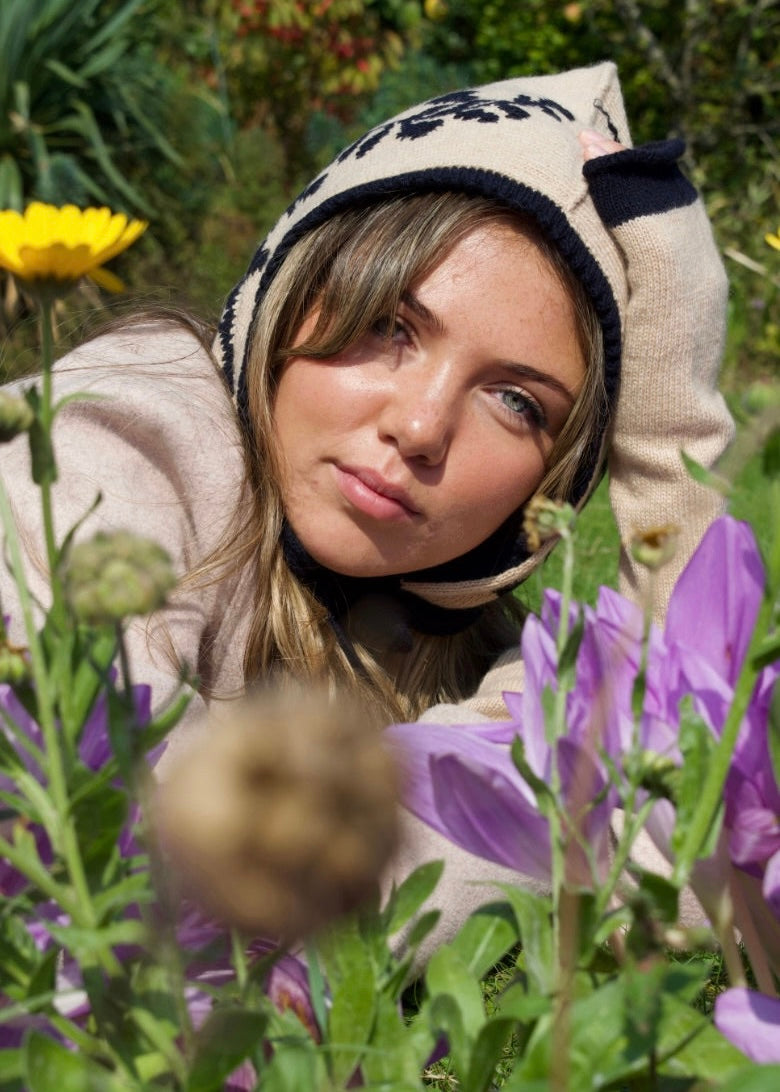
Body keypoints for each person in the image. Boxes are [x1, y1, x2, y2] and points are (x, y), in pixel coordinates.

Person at [0, 62, 733, 952]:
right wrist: (521, 819)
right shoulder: (112, 443)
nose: (421, 426)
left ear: (558, 479)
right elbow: (153, 876)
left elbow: (701, 841)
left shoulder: (473, 653)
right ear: (296, 277)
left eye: (517, 402)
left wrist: (670, 444)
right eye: (392, 324)